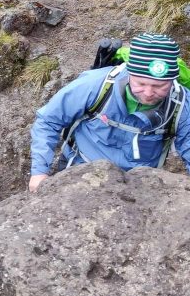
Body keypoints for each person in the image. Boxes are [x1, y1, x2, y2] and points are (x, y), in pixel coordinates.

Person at [29, 33, 190, 192]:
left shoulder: (181, 105)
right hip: (79, 174)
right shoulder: (95, 85)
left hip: (139, 189)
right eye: (141, 83)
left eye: (158, 86)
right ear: (129, 73)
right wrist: (39, 172)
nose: (148, 93)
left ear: (171, 81)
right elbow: (49, 120)